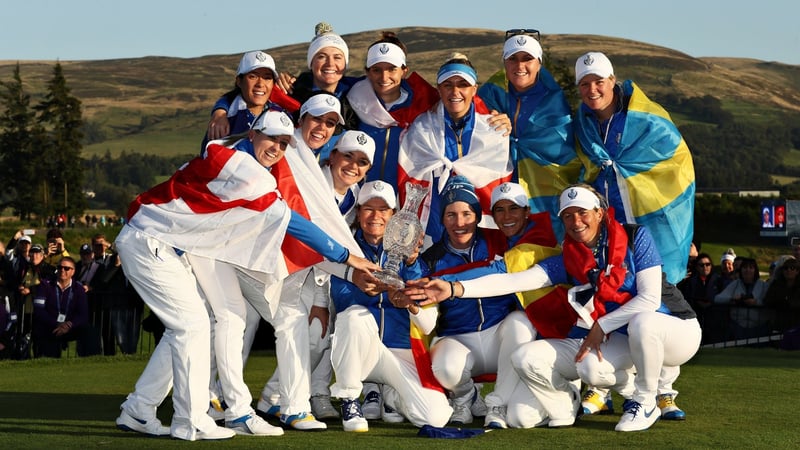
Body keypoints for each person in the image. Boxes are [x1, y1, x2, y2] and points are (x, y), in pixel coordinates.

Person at [114, 110, 377, 441]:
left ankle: (140, 409)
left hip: (166, 242)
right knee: (193, 326)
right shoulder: (248, 172)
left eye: (283, 144)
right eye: (271, 139)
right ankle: (193, 419)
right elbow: (292, 222)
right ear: (252, 135)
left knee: (205, 323)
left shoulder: (228, 150)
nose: (277, 149)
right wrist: (347, 257)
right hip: (150, 240)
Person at [410, 184, 701, 432]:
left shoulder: (636, 236)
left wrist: (601, 326)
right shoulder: (569, 256)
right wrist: (454, 289)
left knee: (644, 323)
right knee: (582, 372)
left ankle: (646, 399)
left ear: (599, 213)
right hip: (624, 338)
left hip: (677, 330)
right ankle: (618, 388)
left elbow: (649, 299)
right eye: (569, 216)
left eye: (583, 213)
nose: (576, 222)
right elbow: (512, 280)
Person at [254, 127, 375, 427]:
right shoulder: (310, 186)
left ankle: (274, 397)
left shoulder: (355, 196)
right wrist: (321, 299)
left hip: (317, 273)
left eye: (361, 162)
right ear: (333, 156)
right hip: (284, 268)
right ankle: (255, 398)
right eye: (348, 156)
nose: (353, 166)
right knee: (304, 335)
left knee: (315, 340)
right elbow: (313, 242)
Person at [329, 181, 452, 432]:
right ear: (358, 212)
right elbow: (342, 301)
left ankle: (391, 396)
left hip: (399, 351)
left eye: (383, 210)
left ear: (395, 217)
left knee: (435, 417)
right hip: (364, 349)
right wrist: (377, 287)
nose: (375, 216)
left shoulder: (410, 257)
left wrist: (409, 303)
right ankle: (350, 398)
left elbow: (427, 322)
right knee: (353, 317)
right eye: (368, 209)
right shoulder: (347, 251)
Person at [573, 52, 695, 286]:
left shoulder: (646, 117)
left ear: (612, 80)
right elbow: (585, 167)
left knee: (656, 291)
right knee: (616, 289)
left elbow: (676, 159)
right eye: (585, 84)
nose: (592, 90)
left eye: (599, 82)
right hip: (609, 222)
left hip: (649, 215)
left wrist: (628, 170)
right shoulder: (582, 123)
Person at [419, 176, 525, 426]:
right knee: (445, 368)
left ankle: (499, 403)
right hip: (458, 336)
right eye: (451, 215)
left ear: (477, 215)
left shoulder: (501, 240)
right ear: (442, 219)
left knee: (521, 322)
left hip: (500, 333)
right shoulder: (431, 258)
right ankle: (466, 396)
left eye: (467, 213)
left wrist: (448, 281)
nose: (460, 223)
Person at [398, 52, 513, 248]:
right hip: (433, 228)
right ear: (439, 89)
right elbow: (407, 179)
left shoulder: (494, 129)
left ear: (474, 89)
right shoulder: (421, 128)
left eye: (463, 85)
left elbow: (503, 181)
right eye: (448, 85)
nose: (455, 92)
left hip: (481, 230)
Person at [477, 29, 580, 240]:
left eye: (527, 59)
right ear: (504, 63)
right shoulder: (489, 95)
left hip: (545, 194)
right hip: (499, 192)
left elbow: (565, 156)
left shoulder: (555, 103)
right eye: (512, 59)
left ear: (539, 63)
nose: (519, 66)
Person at [346, 31, 439, 188]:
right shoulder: (350, 101)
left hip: (401, 197)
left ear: (404, 71)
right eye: (376, 70)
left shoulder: (425, 105)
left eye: (391, 69)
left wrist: (493, 114)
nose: (384, 77)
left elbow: (463, 104)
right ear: (367, 72)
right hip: (359, 198)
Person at [202, 50, 283, 149]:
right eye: (253, 76)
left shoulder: (280, 113)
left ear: (273, 84)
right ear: (239, 81)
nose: (260, 84)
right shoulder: (224, 122)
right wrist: (219, 111)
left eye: (267, 78)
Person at [31, 257, 96, 358]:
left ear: (73, 272)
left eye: (66, 268)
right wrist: (56, 324)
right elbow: (39, 310)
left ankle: (90, 361)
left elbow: (83, 314)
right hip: (50, 326)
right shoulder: (45, 285)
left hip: (69, 327)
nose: (62, 270)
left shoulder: (79, 288)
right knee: (40, 329)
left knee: (88, 330)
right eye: (60, 267)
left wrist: (68, 325)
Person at [714, 257, 770, 340]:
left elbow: (769, 302)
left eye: (751, 268)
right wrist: (732, 299)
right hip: (738, 327)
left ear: (755, 270)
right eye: (745, 268)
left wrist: (756, 302)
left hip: (758, 327)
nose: (747, 270)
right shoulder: (735, 284)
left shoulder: (763, 285)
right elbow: (717, 298)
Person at [764, 258, 800, 333]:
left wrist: (790, 303)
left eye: (792, 268)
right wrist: (780, 302)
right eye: (786, 268)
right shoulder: (776, 284)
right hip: (779, 324)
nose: (788, 270)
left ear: (797, 271)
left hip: (796, 325)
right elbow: (767, 300)